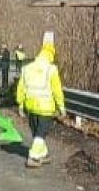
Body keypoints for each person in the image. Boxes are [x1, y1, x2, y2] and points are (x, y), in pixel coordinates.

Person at [16, 38, 65, 168]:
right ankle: (33, 156)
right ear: (51, 55)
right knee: (41, 133)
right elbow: (57, 90)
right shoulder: (51, 69)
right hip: (45, 108)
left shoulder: (27, 68)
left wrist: (20, 103)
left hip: (30, 106)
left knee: (37, 133)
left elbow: (21, 87)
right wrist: (61, 107)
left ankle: (42, 154)